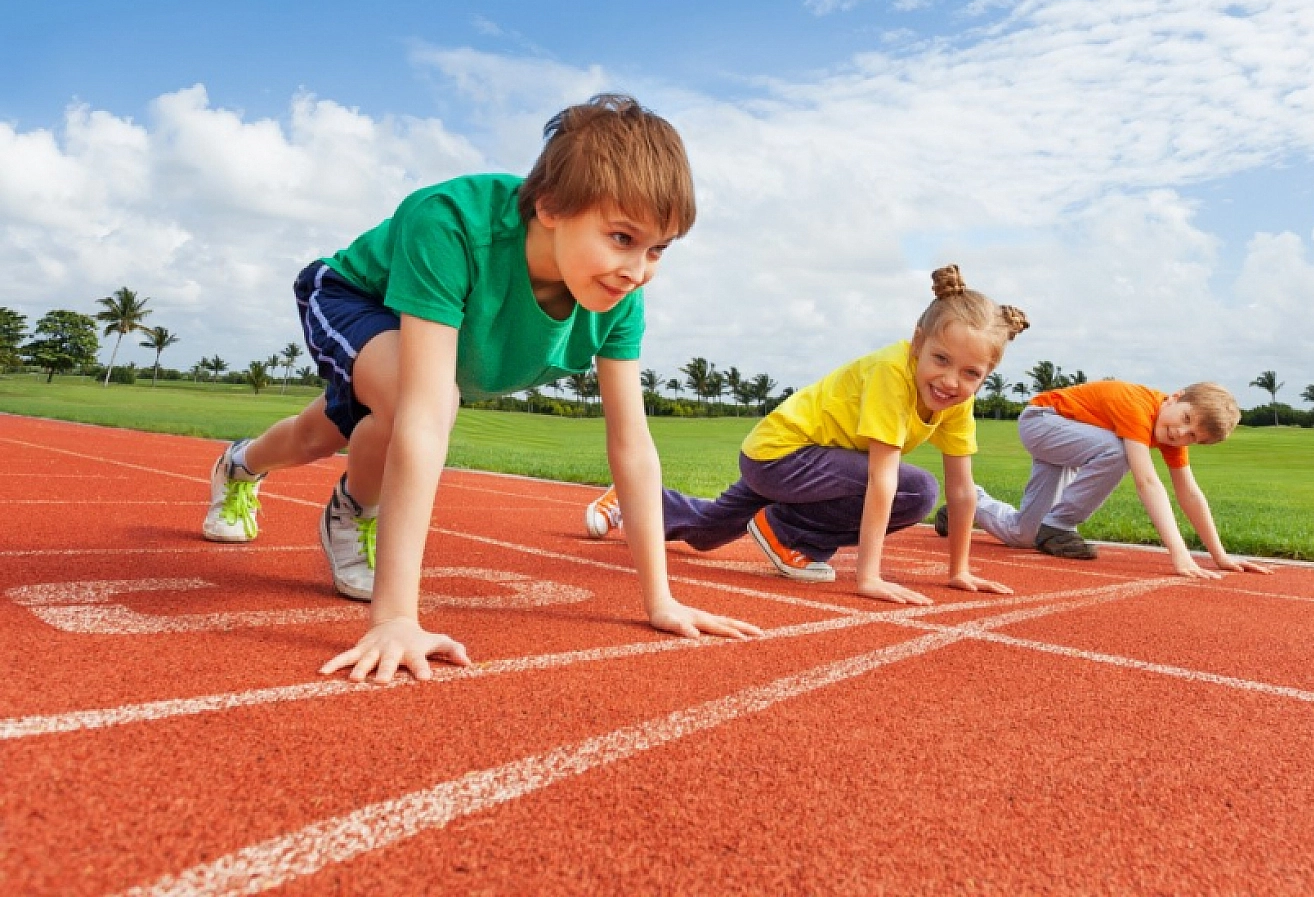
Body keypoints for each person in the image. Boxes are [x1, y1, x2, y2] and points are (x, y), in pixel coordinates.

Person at [200, 94, 761, 682]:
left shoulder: (619, 299)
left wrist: (661, 600)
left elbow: (632, 446)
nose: (639, 269)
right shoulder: (448, 224)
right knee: (420, 406)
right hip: (353, 295)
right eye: (621, 237)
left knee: (317, 435)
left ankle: (241, 465)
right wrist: (395, 618)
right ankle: (353, 512)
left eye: (657, 250)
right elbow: (422, 414)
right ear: (549, 206)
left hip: (425, 356)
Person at [586, 267, 1028, 605]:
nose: (950, 381)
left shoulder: (956, 399)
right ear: (917, 343)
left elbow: (964, 489)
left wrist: (960, 569)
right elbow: (883, 479)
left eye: (971, 373)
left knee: (707, 532)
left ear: (986, 374)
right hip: (783, 455)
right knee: (917, 491)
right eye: (941, 359)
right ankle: (788, 534)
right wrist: (868, 577)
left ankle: (632, 500)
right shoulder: (892, 372)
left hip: (813, 466)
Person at [940, 379, 1273, 578]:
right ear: (1174, 397)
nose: (1181, 433)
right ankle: (1059, 526)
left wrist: (1220, 556)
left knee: (1023, 535)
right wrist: (1179, 553)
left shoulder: (1170, 435)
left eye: (1192, 437)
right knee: (1117, 452)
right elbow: (1147, 481)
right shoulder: (1137, 406)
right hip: (1043, 422)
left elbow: (1189, 493)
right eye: (1185, 418)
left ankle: (965, 506)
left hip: (1072, 440)